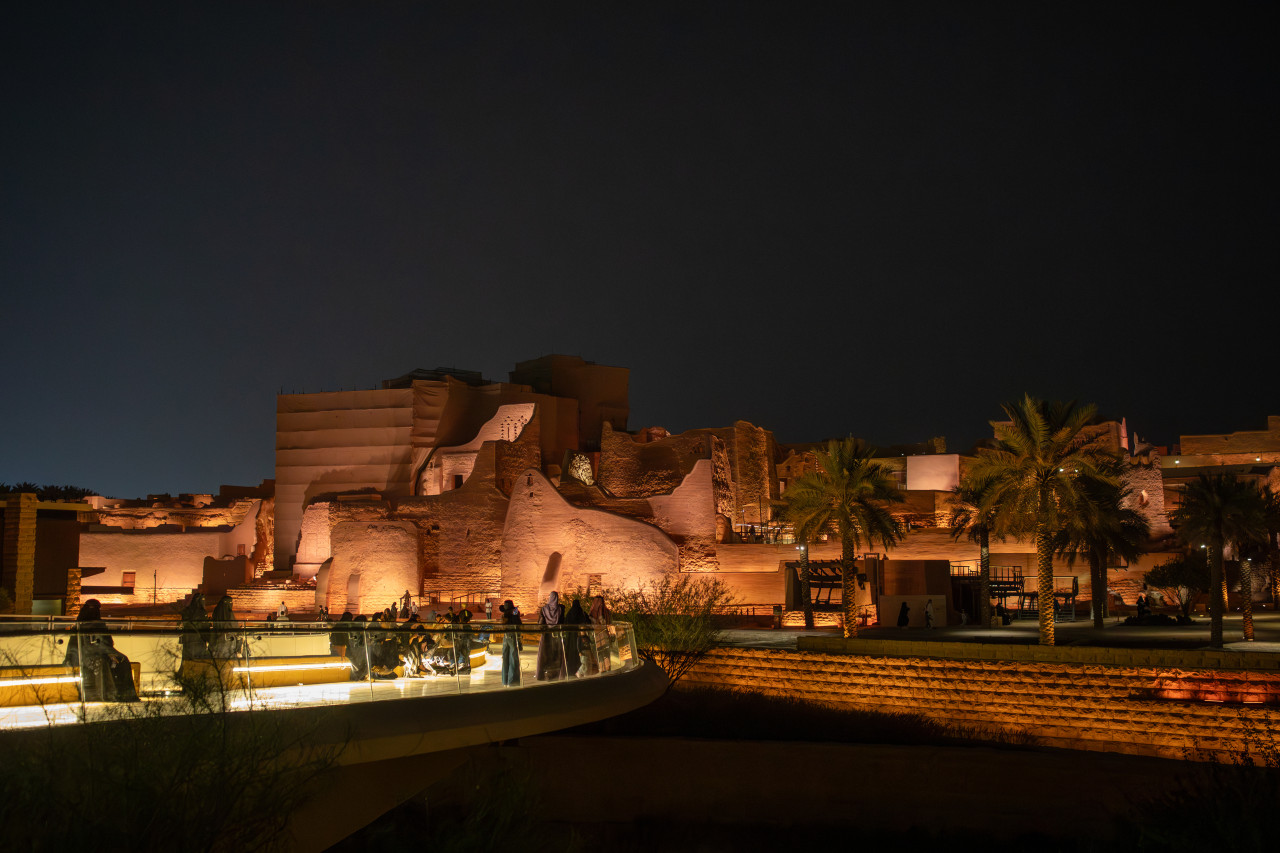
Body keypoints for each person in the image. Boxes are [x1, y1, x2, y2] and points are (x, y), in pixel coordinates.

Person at [64, 599, 140, 702]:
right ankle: (107, 694)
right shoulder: (79, 626)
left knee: (123, 660)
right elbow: (79, 646)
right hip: (85, 655)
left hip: (104, 652)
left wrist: (110, 652)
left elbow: (108, 642)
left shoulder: (101, 625)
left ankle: (125, 694)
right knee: (102, 662)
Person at [536, 591, 566, 681]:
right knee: (557, 654)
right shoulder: (561, 608)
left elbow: (540, 623)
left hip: (547, 636)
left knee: (546, 654)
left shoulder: (544, 609)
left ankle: (546, 674)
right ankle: (556, 674)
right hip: (557, 635)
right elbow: (562, 621)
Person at [178, 592, 210, 662]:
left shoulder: (186, 611)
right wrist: (207, 639)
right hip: (199, 641)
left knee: (188, 660)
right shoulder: (202, 612)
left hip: (188, 640)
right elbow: (205, 627)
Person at [499, 600, 523, 686]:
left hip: (506, 636)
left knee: (505, 658)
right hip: (513, 635)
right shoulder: (515, 612)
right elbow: (518, 623)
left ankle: (505, 680)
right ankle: (513, 681)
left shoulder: (505, 613)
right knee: (513, 658)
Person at [564, 598, 589, 677]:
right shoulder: (581, 613)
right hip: (580, 636)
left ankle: (571, 670)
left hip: (570, 637)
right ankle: (579, 670)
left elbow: (565, 624)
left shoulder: (569, 613)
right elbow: (586, 622)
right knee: (580, 654)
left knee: (572, 653)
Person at [589, 595, 613, 673]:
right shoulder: (607, 612)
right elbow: (610, 624)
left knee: (599, 655)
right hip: (605, 637)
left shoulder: (592, 613)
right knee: (606, 655)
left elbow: (590, 626)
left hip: (597, 638)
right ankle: (607, 671)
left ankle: (602, 671)